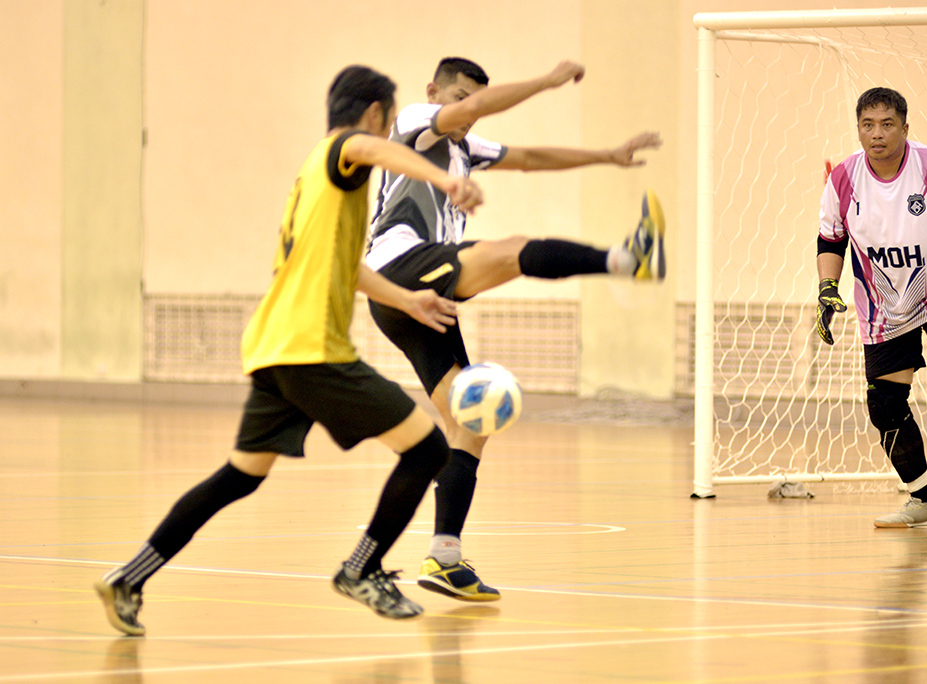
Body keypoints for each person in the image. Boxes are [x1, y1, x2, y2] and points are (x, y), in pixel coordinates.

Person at [94, 65, 486, 635]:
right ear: (376, 114)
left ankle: (129, 576)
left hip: (272, 349)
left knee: (240, 475)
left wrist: (407, 298)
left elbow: (345, 267)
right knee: (427, 448)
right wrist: (448, 181)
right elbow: (369, 150)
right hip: (312, 351)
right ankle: (362, 570)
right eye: (386, 122)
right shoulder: (342, 150)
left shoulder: (316, 179)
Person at [364, 57, 665, 601]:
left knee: (469, 420)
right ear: (435, 92)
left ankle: (445, 558)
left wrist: (608, 155)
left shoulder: (462, 146)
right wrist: (548, 82)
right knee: (510, 250)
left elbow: (528, 158)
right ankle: (626, 260)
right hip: (399, 269)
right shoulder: (414, 120)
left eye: (468, 103)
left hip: (415, 302)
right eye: (455, 98)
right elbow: (476, 107)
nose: (467, 113)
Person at [816, 86, 927, 530]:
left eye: (887, 124)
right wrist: (825, 288)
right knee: (884, 406)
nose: (877, 134)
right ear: (858, 129)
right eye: (867, 125)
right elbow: (830, 239)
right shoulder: (843, 178)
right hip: (884, 303)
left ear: (905, 128)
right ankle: (921, 498)